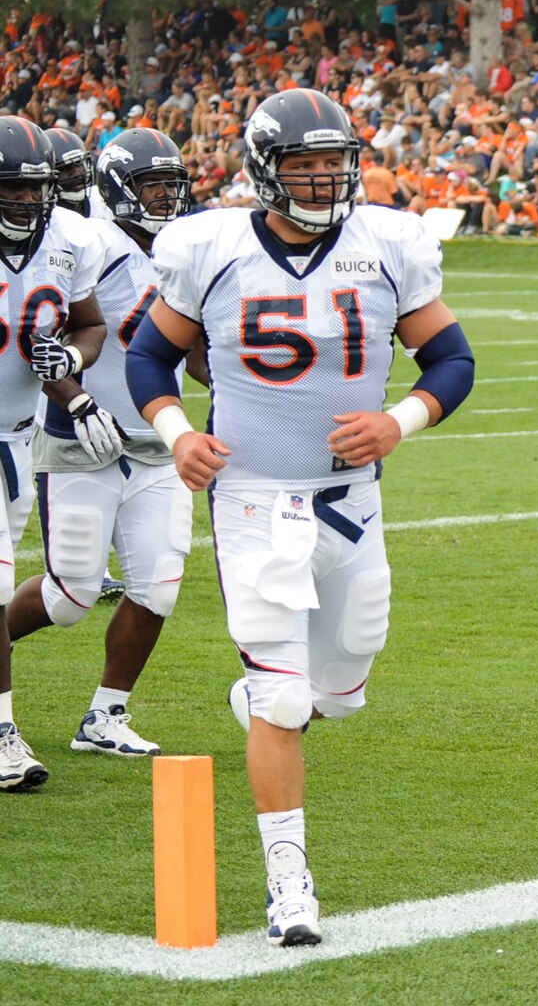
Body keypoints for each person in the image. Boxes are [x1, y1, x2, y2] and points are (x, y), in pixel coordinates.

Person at [125, 88, 477, 946]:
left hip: (352, 502)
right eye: (305, 166)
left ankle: (269, 696)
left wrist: (402, 418)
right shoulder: (208, 247)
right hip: (252, 498)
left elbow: (452, 358)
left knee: (342, 691)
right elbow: (148, 354)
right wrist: (176, 432)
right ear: (265, 169)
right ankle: (289, 884)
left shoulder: (389, 242)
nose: (324, 182)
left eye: (335, 164)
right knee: (285, 703)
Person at [6, 130, 203, 761]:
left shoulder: (190, 251)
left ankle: (105, 714)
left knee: (159, 586)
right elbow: (43, 336)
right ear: (119, 188)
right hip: (83, 436)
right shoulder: (90, 241)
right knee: (70, 597)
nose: (167, 198)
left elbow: (197, 348)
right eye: (153, 186)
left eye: (174, 185)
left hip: (157, 439)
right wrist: (73, 394)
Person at [0, 118, 116, 793]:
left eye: (35, 189)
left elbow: (88, 324)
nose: (24, 202)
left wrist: (70, 368)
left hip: (16, 437)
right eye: (10, 190)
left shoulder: (71, 238)